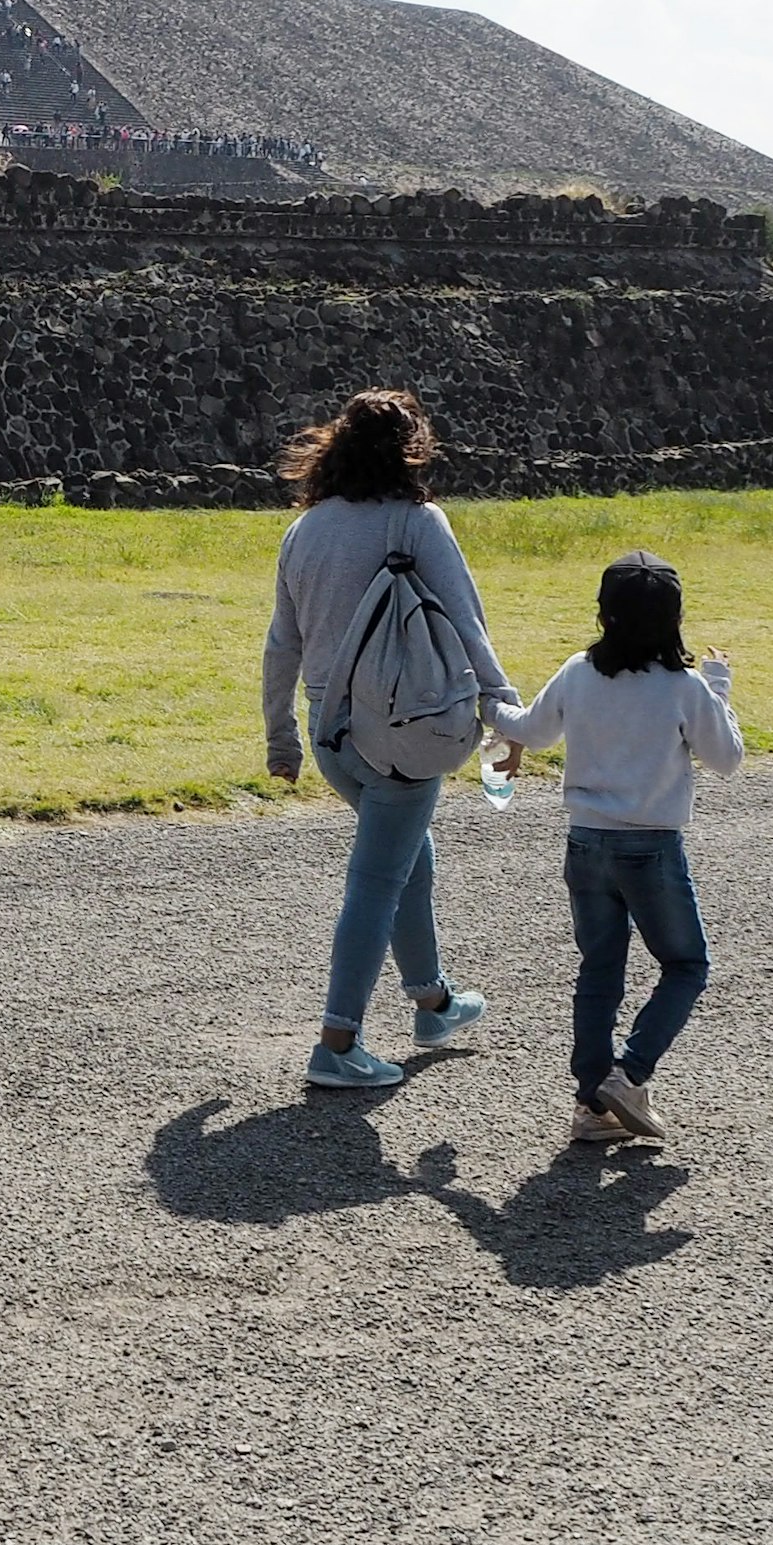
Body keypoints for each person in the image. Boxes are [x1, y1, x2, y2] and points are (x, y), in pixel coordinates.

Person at [262, 389, 519, 1089]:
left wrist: (280, 739)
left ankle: (434, 1002)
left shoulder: (305, 530)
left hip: (331, 738)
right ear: (411, 449)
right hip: (402, 732)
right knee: (376, 882)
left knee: (410, 854)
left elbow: (281, 644)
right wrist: (506, 713)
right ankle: (337, 1044)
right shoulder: (417, 522)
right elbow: (469, 624)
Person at [487, 553, 743, 1147]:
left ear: (603, 615)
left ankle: (590, 1105)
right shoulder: (685, 686)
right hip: (650, 847)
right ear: (674, 619)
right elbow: (727, 760)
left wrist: (489, 702)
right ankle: (630, 1074)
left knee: (600, 971)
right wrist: (721, 685)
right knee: (685, 965)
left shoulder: (579, 671)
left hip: (585, 842)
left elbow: (530, 729)